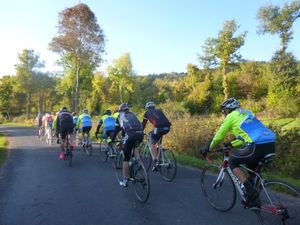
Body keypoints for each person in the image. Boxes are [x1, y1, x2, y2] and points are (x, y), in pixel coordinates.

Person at [200, 98, 276, 207]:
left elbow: (218, 136)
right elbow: (243, 138)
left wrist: (208, 148)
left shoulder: (231, 116)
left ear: (227, 110)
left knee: (232, 162)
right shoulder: (247, 113)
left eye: (224, 111)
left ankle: (251, 192)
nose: (224, 114)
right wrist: (231, 144)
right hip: (270, 143)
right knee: (251, 167)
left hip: (256, 145)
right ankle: (253, 198)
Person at [114, 103, 143, 187]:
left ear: (120, 110)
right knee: (134, 146)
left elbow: (116, 130)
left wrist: (112, 139)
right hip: (140, 133)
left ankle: (125, 179)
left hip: (130, 134)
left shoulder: (120, 116)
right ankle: (139, 163)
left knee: (126, 158)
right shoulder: (133, 114)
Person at [142, 101, 172, 171]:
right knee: (156, 138)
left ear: (147, 108)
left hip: (158, 128)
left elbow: (143, 124)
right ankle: (159, 150)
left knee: (152, 143)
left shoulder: (146, 113)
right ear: (154, 107)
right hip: (167, 127)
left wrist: (141, 131)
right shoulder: (159, 111)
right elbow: (160, 121)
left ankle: (155, 161)